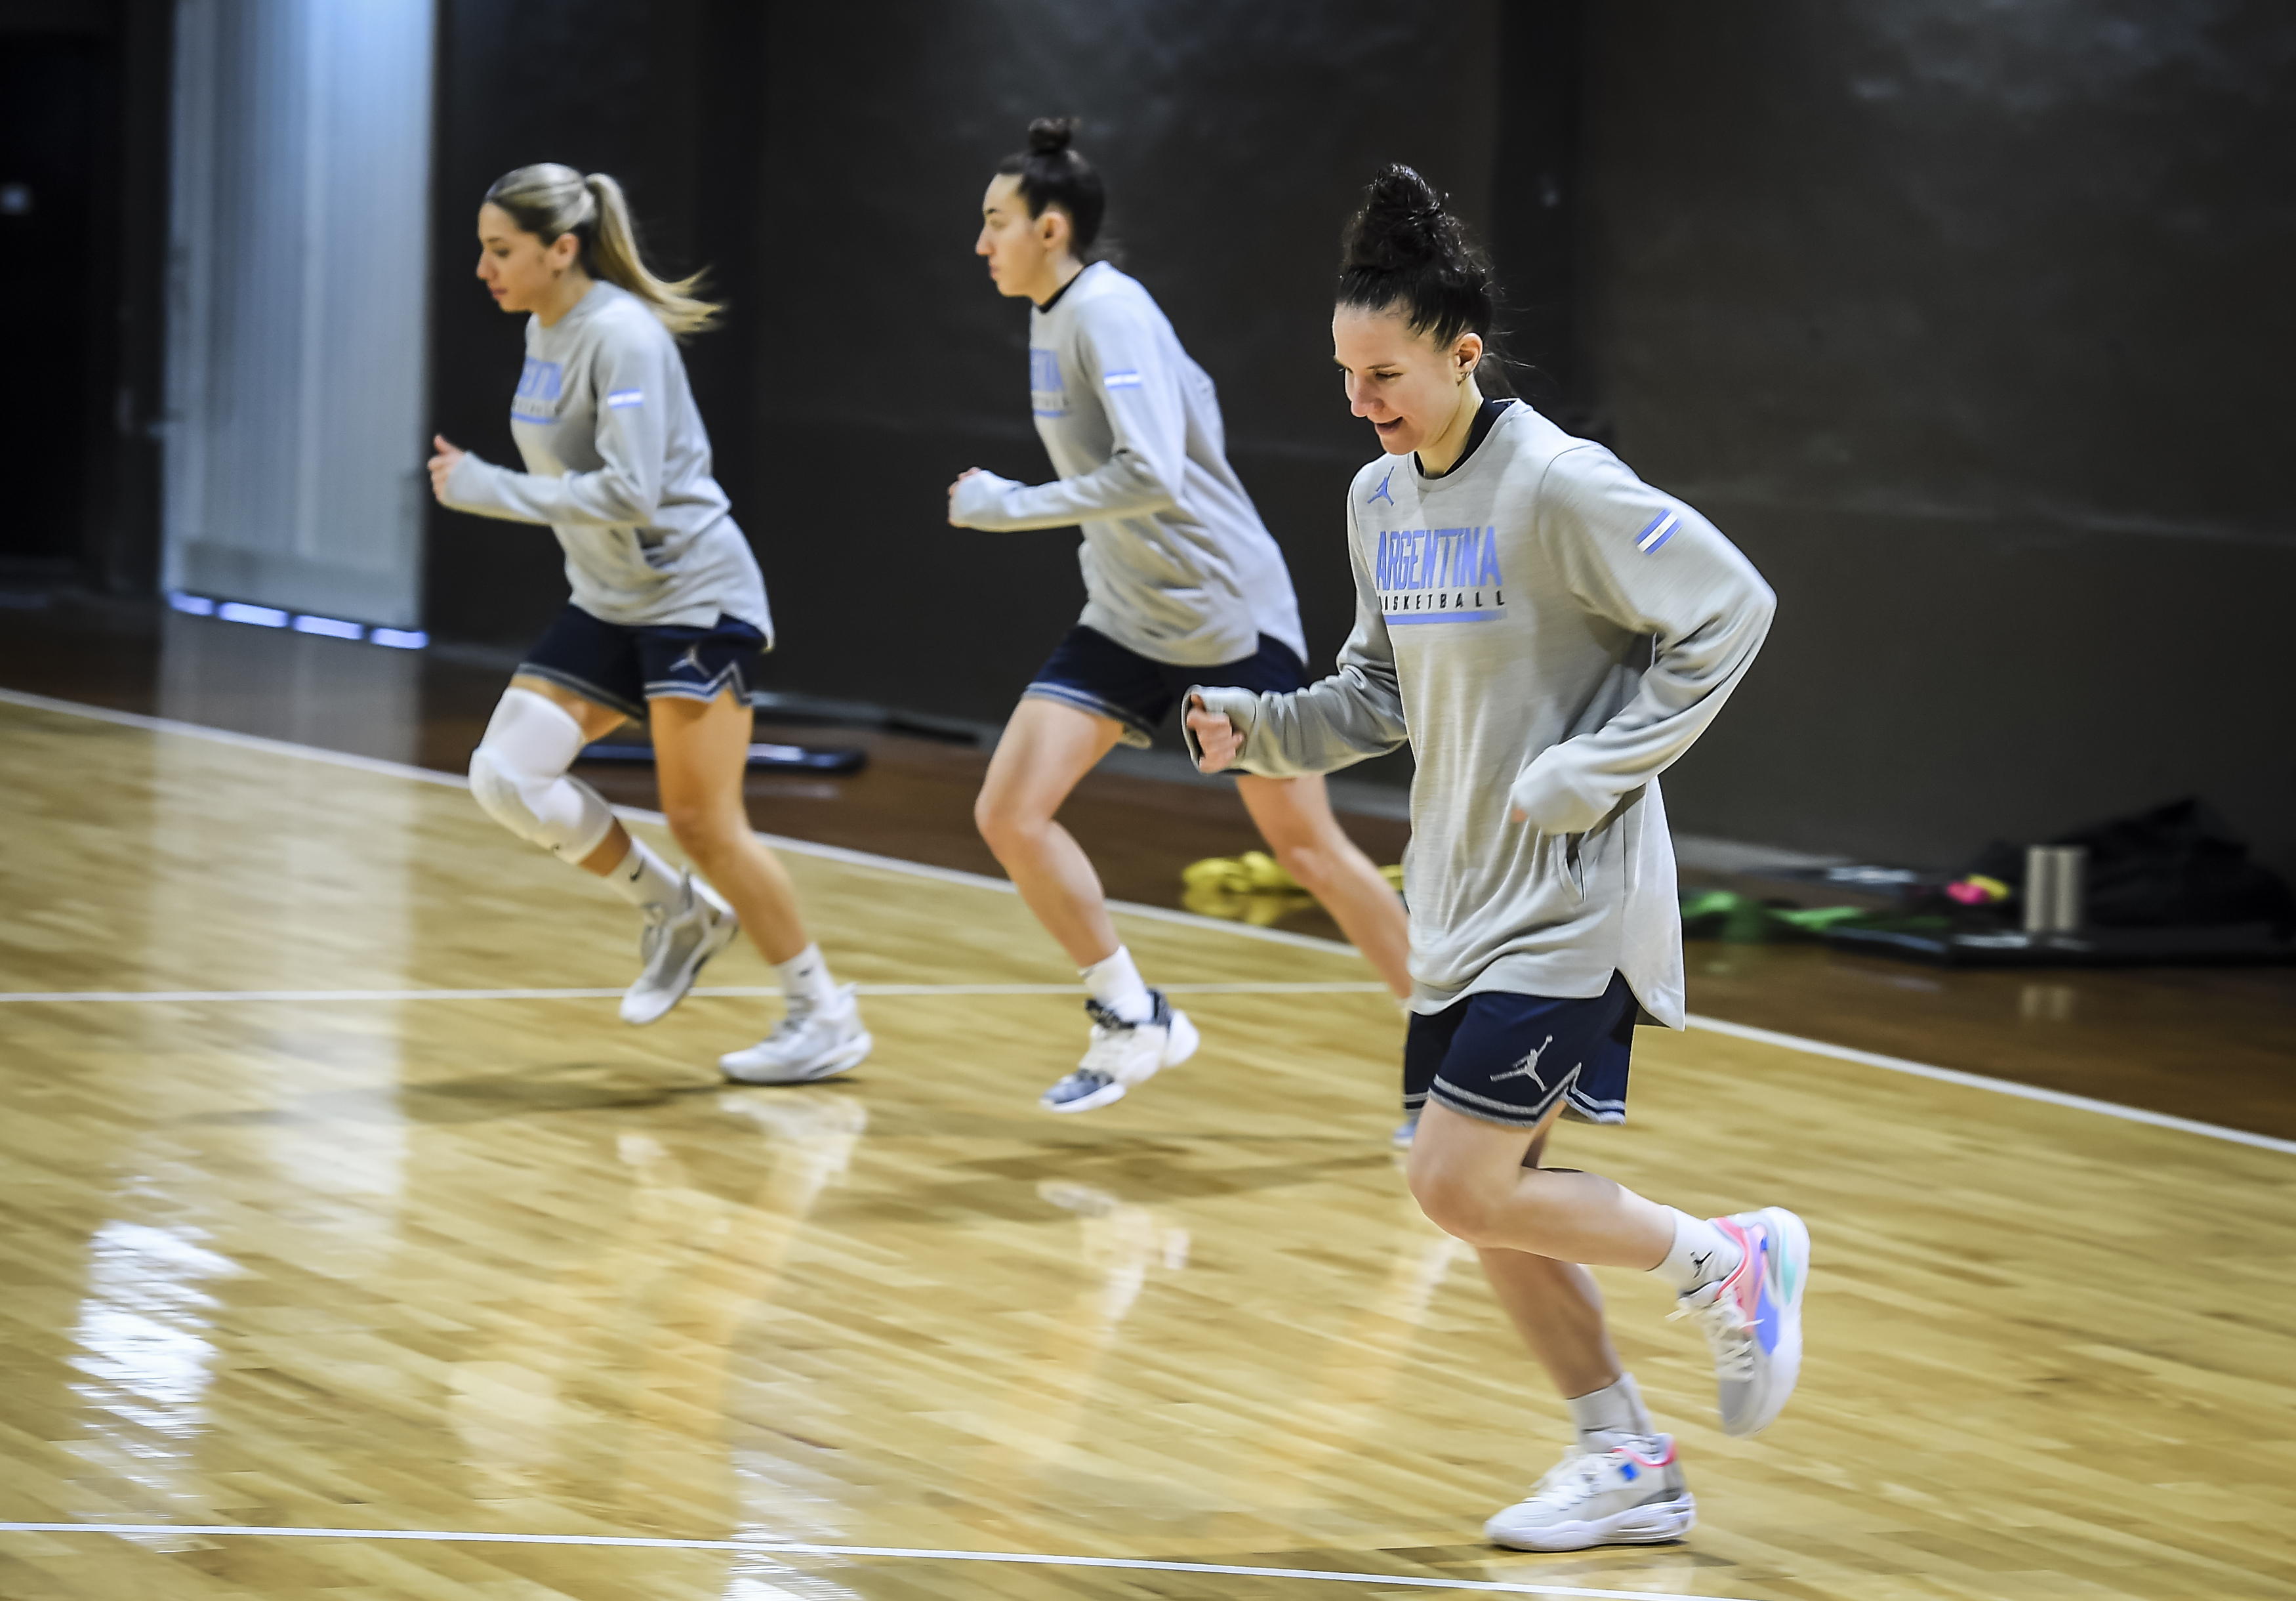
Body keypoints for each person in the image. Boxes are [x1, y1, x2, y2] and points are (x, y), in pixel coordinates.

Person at [1184, 165, 1809, 1553]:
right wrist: (1262, 730)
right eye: (1346, 375)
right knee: (1484, 1198)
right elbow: (1376, 691)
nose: (1363, 400)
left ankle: (1730, 1256)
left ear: (1463, 353)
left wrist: (1598, 766)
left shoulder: (1558, 484)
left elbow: (1731, 606)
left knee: (1456, 1180)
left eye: (1387, 371)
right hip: (1461, 897)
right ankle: (1625, 1456)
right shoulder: (1379, 499)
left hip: (1571, 899)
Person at [947, 120, 1413, 1114]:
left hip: (1226, 624)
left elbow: (1153, 471)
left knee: (1306, 850)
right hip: (1126, 615)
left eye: (997, 223)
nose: (982, 243)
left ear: (1052, 227)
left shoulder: (1108, 313)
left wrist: (1009, 507)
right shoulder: (1051, 314)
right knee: (1009, 812)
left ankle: (1455, 1061)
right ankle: (1132, 1014)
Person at [428, 163, 869, 1085]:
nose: (483, 269)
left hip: (693, 600)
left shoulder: (620, 336)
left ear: (562, 249)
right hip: (610, 602)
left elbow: (633, 490)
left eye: (499, 250)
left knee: (704, 823)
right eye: (482, 249)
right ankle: (679, 913)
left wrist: (486, 489)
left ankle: (824, 1014)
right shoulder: (546, 329)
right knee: (505, 777)